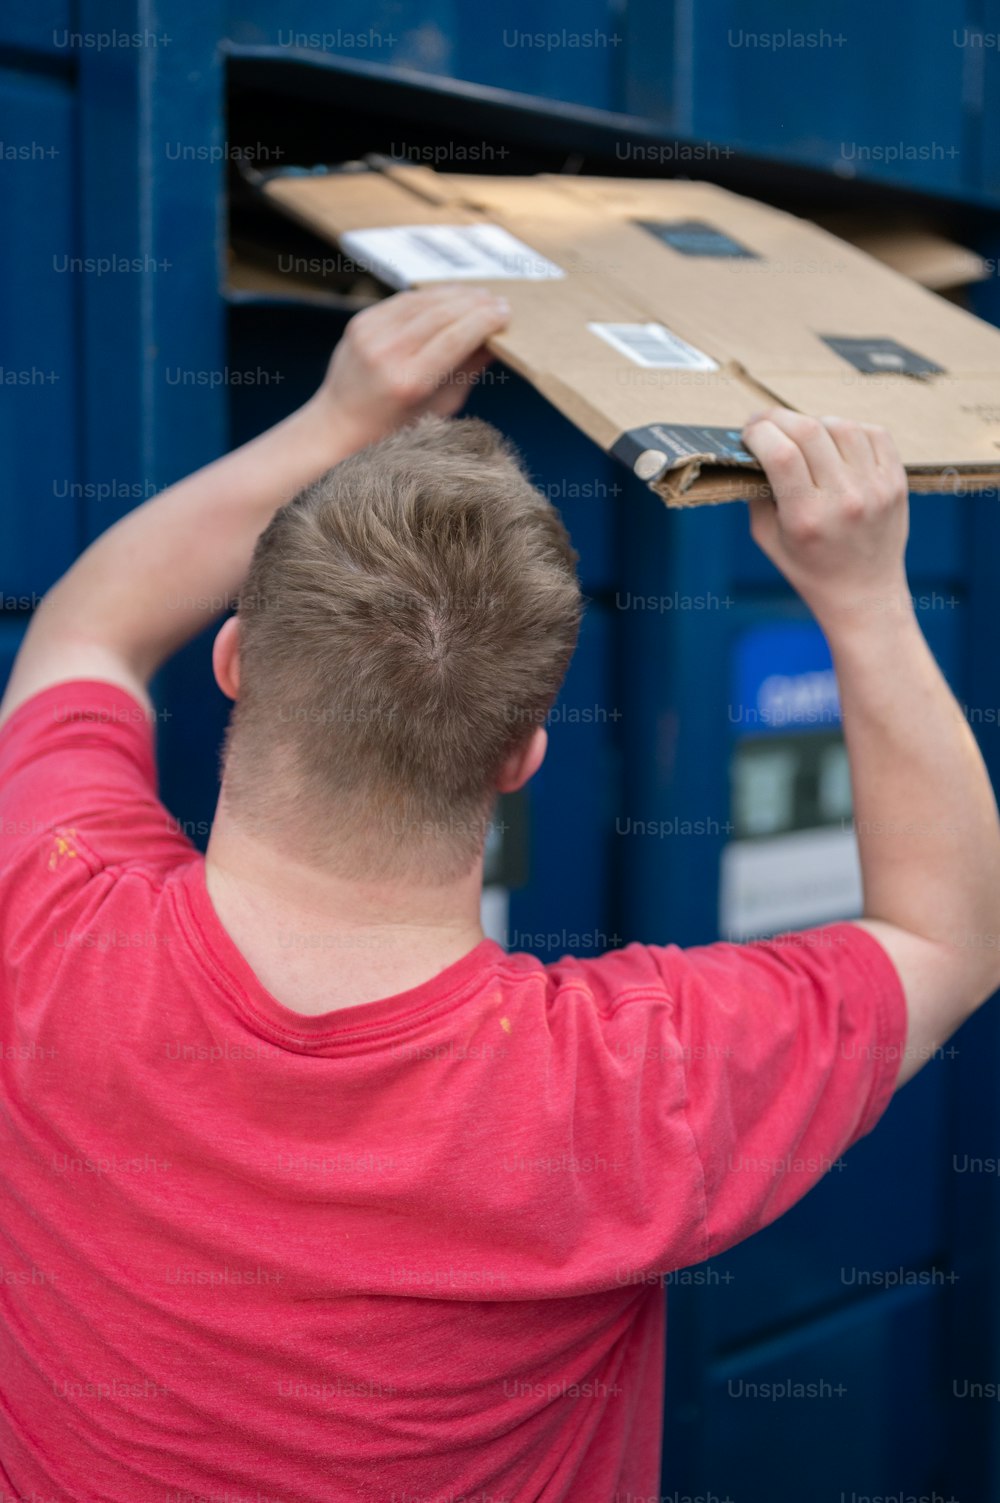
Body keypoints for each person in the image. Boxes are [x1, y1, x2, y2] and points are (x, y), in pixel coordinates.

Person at [0, 284, 997, 1503]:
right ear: (525, 755)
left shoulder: (43, 915)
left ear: (234, 664)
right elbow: (952, 932)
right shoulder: (629, 1085)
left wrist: (336, 418)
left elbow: (84, 634)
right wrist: (863, 596)